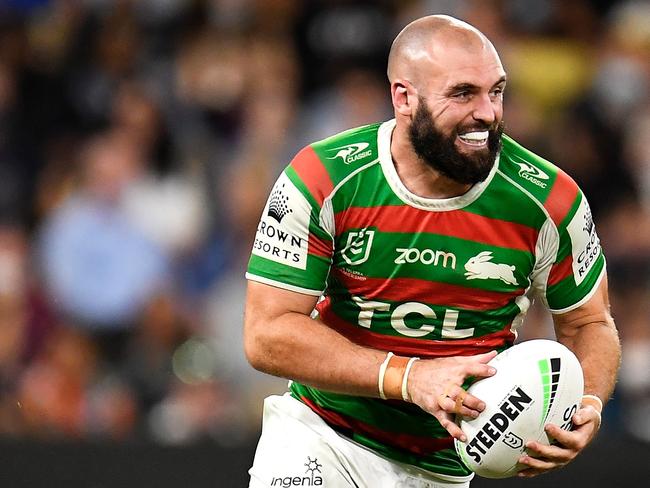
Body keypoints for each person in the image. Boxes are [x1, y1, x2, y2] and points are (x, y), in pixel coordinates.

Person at [244, 15, 620, 488]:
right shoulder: (323, 179)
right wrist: (410, 378)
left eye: (496, 91)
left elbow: (589, 322)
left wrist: (586, 402)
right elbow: (267, 334)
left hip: (446, 466)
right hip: (322, 437)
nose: (486, 112)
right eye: (463, 93)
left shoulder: (550, 202)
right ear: (404, 98)